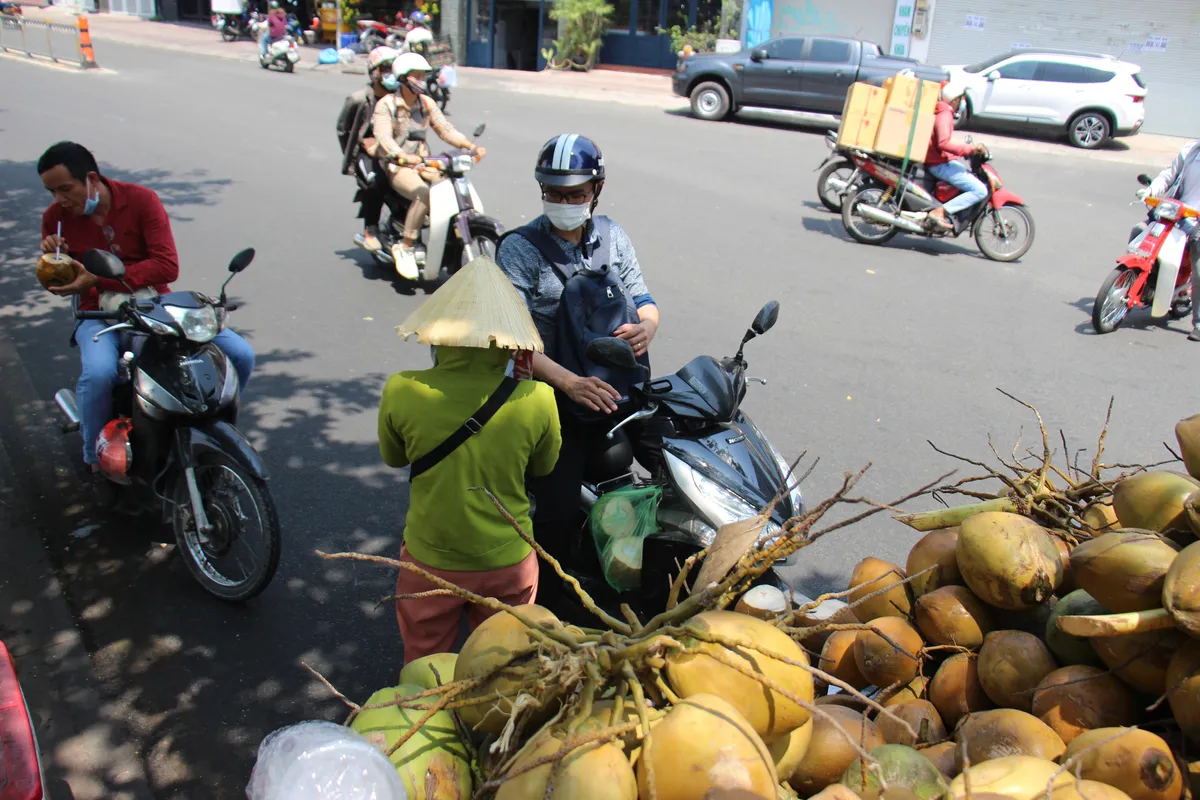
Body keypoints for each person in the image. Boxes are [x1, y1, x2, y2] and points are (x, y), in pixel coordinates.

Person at [37, 142, 256, 504]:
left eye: (65, 189)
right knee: (99, 375)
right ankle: (95, 461)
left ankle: (219, 430)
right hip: (97, 313)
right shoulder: (55, 220)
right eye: (52, 192)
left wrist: (97, 278)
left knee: (239, 354)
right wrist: (52, 260)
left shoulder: (140, 200)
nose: (59, 199)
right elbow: (56, 285)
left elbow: (167, 265)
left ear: (91, 179)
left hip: (155, 302)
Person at [495, 134, 659, 615]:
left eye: (576, 194)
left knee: (675, 455)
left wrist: (646, 328)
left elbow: (644, 298)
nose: (564, 203)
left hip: (618, 387)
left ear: (597, 188)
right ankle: (549, 604)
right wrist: (569, 383)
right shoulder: (520, 250)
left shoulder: (613, 237)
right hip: (553, 397)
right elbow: (513, 341)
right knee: (556, 515)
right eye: (554, 193)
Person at [379, 257, 561, 664]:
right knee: (502, 664)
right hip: (507, 559)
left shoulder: (402, 389)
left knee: (425, 665)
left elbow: (393, 458)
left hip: (430, 556)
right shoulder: (538, 399)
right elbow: (543, 469)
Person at [371, 52, 483, 280]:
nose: (422, 80)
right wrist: (401, 155)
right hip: (397, 166)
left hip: (424, 162)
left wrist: (469, 145)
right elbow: (383, 137)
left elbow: (445, 129)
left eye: (424, 75)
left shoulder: (426, 103)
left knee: (450, 188)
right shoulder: (387, 105)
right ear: (404, 78)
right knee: (424, 193)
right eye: (417, 76)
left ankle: (445, 241)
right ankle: (407, 246)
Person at [337, 46, 399, 253]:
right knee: (376, 182)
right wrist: (355, 154)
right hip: (367, 152)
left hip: (396, 149)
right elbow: (343, 129)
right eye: (386, 69)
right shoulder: (359, 98)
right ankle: (370, 230)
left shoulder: (400, 97)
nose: (391, 74)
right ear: (375, 72)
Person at [1137, 139, 1200, 341]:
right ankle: (1142, 284)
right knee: (1138, 233)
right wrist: (1151, 191)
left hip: (1197, 220)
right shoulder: (1191, 151)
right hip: (1175, 213)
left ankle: (1198, 323)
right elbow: (1168, 175)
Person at [924, 81, 989, 233]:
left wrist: (960, 151)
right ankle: (941, 211)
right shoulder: (945, 114)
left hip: (940, 160)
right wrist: (968, 150)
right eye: (961, 99)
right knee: (980, 190)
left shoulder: (942, 111)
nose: (962, 103)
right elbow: (943, 142)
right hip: (939, 164)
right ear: (954, 100)